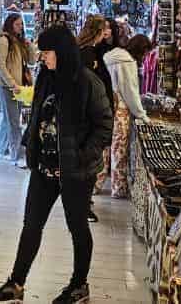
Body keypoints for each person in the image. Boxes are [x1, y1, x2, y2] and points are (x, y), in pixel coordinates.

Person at [0, 25, 113, 304]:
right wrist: (32, 147)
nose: (42, 57)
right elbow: (38, 118)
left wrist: (82, 156)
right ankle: (16, 284)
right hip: (44, 169)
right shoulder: (46, 78)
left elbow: (105, 126)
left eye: (47, 52)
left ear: (62, 52)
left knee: (77, 225)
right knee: (31, 224)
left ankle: (79, 285)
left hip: (76, 172)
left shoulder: (88, 82)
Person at [102, 31, 152, 198]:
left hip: (104, 104)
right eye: (145, 53)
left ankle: (95, 183)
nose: (145, 57)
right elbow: (130, 91)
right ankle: (118, 187)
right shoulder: (127, 62)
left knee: (104, 146)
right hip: (120, 109)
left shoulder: (110, 57)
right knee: (119, 149)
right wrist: (141, 114)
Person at [76, 15, 112, 219]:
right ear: (97, 32)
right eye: (104, 29)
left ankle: (83, 202)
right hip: (91, 115)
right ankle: (83, 204)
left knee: (89, 160)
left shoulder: (87, 51)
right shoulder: (88, 54)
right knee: (90, 160)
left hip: (88, 114)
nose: (106, 32)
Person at [0, 13, 37, 168]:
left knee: (9, 119)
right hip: (9, 87)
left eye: (21, 25)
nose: (20, 27)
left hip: (18, 87)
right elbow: (1, 66)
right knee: (14, 122)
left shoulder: (18, 42)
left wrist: (29, 45)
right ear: (10, 24)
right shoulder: (3, 41)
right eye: (17, 24)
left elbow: (32, 61)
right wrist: (12, 84)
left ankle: (1, 149)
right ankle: (16, 155)